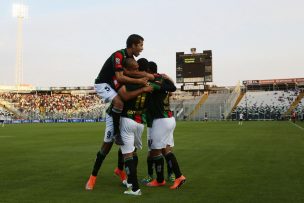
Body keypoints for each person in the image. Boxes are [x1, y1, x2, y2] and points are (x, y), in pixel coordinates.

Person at [85, 58, 154, 190]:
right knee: (107, 145)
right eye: (134, 69)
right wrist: (143, 88)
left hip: (127, 117)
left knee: (129, 148)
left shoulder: (135, 79)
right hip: (114, 116)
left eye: (138, 68)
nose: (137, 71)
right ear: (126, 70)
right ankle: (93, 177)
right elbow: (125, 96)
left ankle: (123, 173)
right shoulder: (119, 80)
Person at [94, 34, 154, 145]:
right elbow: (120, 77)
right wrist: (140, 81)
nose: (142, 48)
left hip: (114, 83)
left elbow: (128, 72)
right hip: (103, 83)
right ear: (133, 45)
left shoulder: (131, 58)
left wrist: (146, 75)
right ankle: (117, 134)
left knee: (123, 100)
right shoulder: (119, 55)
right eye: (140, 45)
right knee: (119, 102)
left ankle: (118, 122)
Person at [144, 61, 186, 189]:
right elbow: (172, 88)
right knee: (165, 150)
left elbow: (152, 87)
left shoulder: (154, 83)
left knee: (155, 151)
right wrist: (169, 79)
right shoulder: (164, 81)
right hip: (168, 118)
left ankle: (162, 179)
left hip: (160, 120)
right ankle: (177, 177)